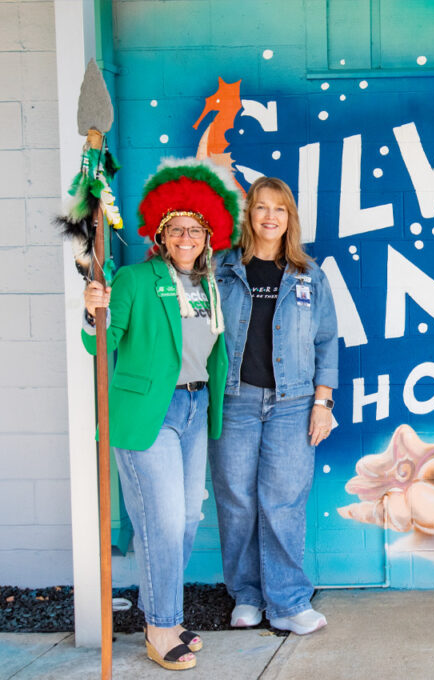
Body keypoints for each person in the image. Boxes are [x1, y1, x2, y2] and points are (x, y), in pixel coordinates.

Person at [82, 159, 241, 671]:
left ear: (208, 237)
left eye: (195, 230)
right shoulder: (133, 279)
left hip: (195, 407)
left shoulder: (209, 285)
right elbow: (99, 343)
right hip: (148, 411)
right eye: (176, 229)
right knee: (164, 521)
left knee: (187, 518)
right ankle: (160, 627)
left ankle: (164, 616)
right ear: (161, 236)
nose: (186, 238)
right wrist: (93, 310)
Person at [208, 176, 339, 635]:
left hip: (293, 404)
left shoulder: (309, 274)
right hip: (235, 401)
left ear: (289, 218)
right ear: (249, 214)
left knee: (283, 503)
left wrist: (323, 402)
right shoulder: (221, 268)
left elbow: (327, 341)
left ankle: (287, 601)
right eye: (261, 207)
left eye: (279, 209)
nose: (270, 216)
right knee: (237, 503)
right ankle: (246, 595)